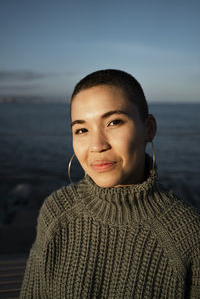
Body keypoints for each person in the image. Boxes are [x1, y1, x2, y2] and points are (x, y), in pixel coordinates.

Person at [20, 69, 200, 298]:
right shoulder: (57, 212)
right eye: (82, 129)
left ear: (149, 128)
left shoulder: (188, 234)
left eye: (114, 122)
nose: (97, 145)